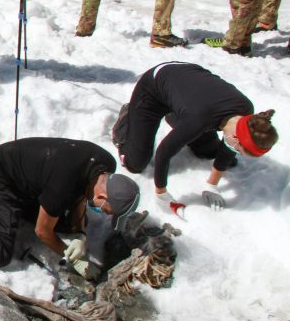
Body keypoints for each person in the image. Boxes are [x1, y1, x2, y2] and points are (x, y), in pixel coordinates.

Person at [0, 138, 140, 280]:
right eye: (107, 210)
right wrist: (73, 259)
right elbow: (43, 232)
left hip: (31, 180)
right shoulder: (65, 184)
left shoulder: (105, 165)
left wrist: (79, 234)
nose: (105, 214)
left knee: (70, 222)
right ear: (102, 195)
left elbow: (81, 196)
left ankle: (2, 211)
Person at [112, 62, 278, 214]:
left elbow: (228, 148)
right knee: (135, 163)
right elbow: (164, 152)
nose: (237, 152)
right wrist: (161, 193)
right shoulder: (199, 119)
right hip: (154, 89)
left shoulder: (247, 115)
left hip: (186, 95)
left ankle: (175, 114)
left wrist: (212, 185)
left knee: (208, 151)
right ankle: (128, 118)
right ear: (236, 137)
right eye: (239, 150)